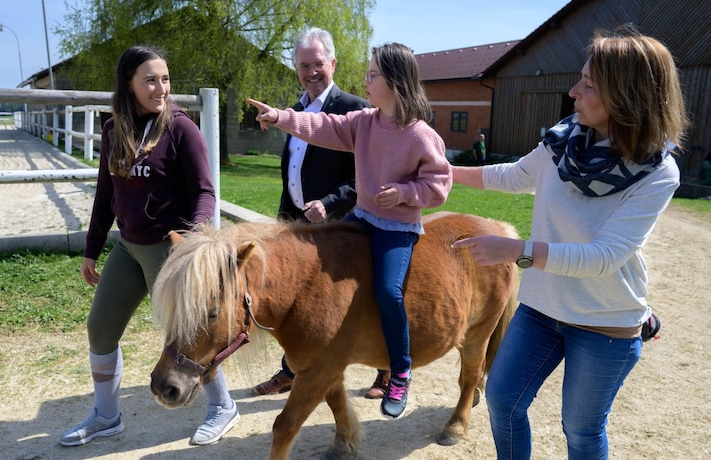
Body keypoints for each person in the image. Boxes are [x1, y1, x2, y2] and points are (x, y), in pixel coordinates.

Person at [450, 27, 688, 459]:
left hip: (605, 323)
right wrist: (447, 174)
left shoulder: (658, 172)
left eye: (590, 85)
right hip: (542, 309)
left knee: (580, 431)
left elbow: (604, 257)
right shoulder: (565, 140)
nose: (574, 91)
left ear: (629, 97)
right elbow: (517, 175)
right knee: (503, 401)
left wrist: (517, 250)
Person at [248, 42, 452, 419]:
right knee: (317, 277)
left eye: (372, 75)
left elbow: (440, 186)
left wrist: (406, 193)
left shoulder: (421, 135)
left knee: (389, 293)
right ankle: (311, 357)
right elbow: (321, 125)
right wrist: (280, 117)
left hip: (396, 226)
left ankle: (400, 372)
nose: (365, 80)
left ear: (393, 82)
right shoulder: (364, 121)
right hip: (361, 218)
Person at [59, 45, 239, 448]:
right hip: (129, 247)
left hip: (170, 249)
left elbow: (205, 191)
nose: (161, 88)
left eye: (166, 79)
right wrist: (92, 249)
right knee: (100, 329)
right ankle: (106, 416)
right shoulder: (112, 131)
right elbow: (106, 195)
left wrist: (194, 238)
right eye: (151, 80)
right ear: (129, 83)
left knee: (189, 333)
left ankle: (222, 407)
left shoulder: (180, 128)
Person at [251, 27, 390, 401]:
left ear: (333, 63)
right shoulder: (294, 110)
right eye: (303, 65)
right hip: (299, 228)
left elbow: (368, 175)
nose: (311, 72)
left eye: (317, 64)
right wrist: (284, 219)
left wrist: (331, 203)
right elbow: (293, 170)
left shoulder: (355, 108)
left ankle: (387, 370)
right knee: (295, 303)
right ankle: (291, 370)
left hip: (343, 225)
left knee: (364, 297)